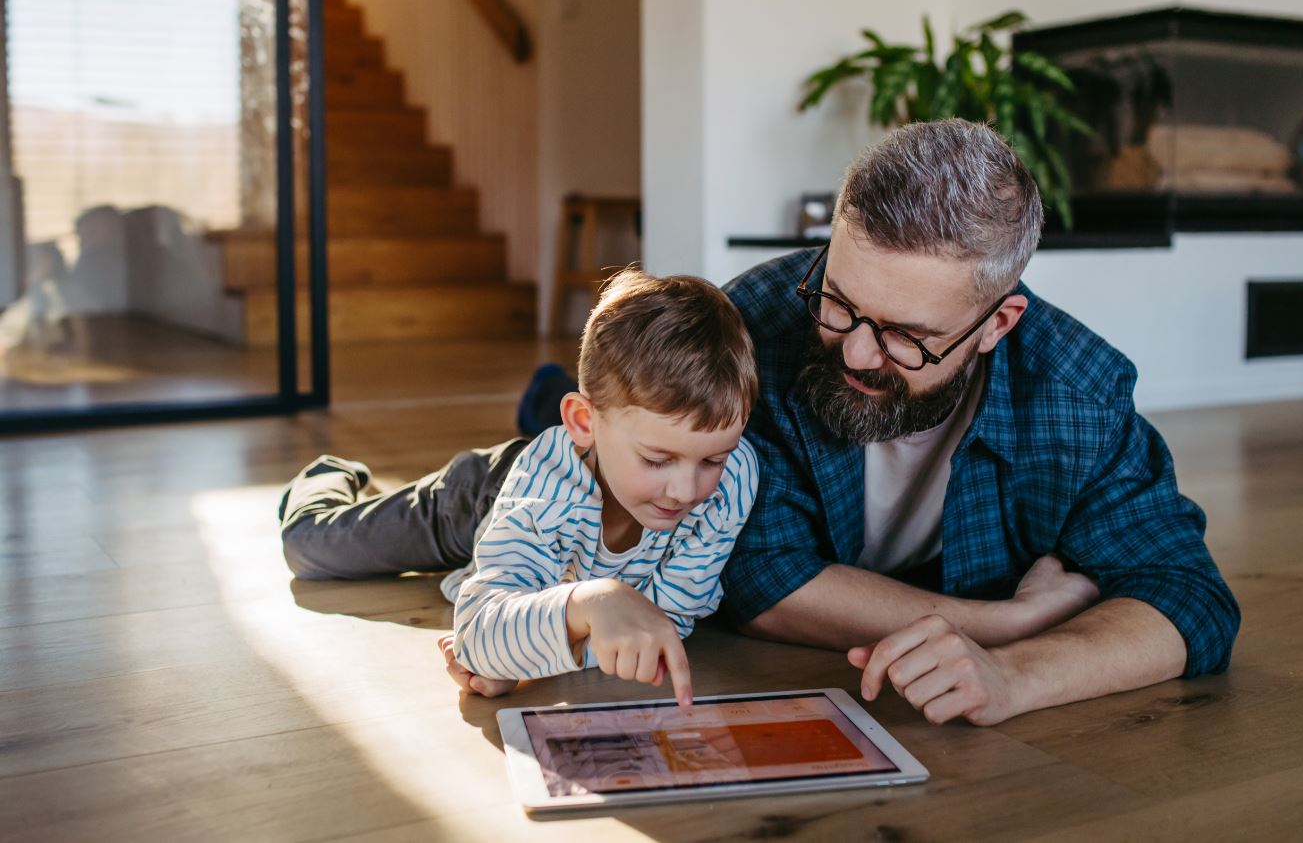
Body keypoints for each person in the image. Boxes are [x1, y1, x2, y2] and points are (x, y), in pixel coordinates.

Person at [715, 119, 1241, 726]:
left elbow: (1189, 598)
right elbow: (754, 573)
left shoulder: (1077, 392)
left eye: (906, 336)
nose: (857, 353)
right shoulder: (746, 333)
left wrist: (1016, 675)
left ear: (999, 323)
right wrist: (1009, 622)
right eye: (837, 301)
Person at [278, 270, 761, 705]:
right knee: (310, 548)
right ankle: (326, 475)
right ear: (583, 422)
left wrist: (525, 654)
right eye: (657, 459)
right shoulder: (544, 493)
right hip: (480, 498)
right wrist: (590, 605)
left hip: (544, 550)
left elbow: (662, 628)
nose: (685, 490)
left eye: (711, 459)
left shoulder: (732, 479)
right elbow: (479, 636)